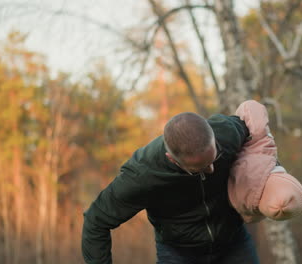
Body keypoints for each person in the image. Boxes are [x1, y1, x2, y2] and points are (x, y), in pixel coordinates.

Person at [81, 109, 260, 264]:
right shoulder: (144, 174)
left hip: (233, 242)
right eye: (198, 169)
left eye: (213, 159)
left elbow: (261, 140)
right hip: (179, 252)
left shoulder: (227, 132)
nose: (211, 169)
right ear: (172, 159)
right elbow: (96, 221)